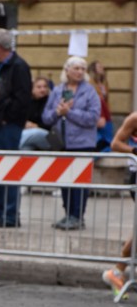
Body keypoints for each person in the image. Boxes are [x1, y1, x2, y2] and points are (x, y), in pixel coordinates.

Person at [0, 28, 32, 228]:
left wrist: (5, 118)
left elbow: (22, 99)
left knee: (8, 169)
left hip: (5, 127)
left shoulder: (18, 66)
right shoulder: (0, 66)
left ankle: (10, 215)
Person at [42, 56, 101, 230]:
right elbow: (46, 117)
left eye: (83, 69)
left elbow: (93, 118)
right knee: (65, 182)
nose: (80, 72)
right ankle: (68, 214)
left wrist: (70, 112)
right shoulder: (58, 90)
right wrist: (58, 112)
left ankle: (78, 216)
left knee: (80, 184)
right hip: (62, 143)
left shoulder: (90, 92)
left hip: (83, 144)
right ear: (67, 70)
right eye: (76, 68)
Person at [102, 111, 137, 298]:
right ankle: (117, 272)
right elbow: (115, 143)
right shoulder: (134, 118)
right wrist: (133, 150)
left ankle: (117, 272)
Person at [19, 76, 51, 151]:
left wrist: (37, 126)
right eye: (39, 87)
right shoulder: (27, 102)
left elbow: (52, 122)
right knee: (25, 148)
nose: (42, 89)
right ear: (32, 89)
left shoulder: (50, 101)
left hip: (47, 134)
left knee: (32, 134)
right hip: (28, 133)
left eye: (45, 87)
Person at [87, 60, 113, 152]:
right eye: (99, 67)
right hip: (97, 113)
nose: (102, 68)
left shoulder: (104, 84)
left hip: (105, 112)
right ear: (93, 70)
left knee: (107, 137)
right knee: (99, 138)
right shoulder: (90, 84)